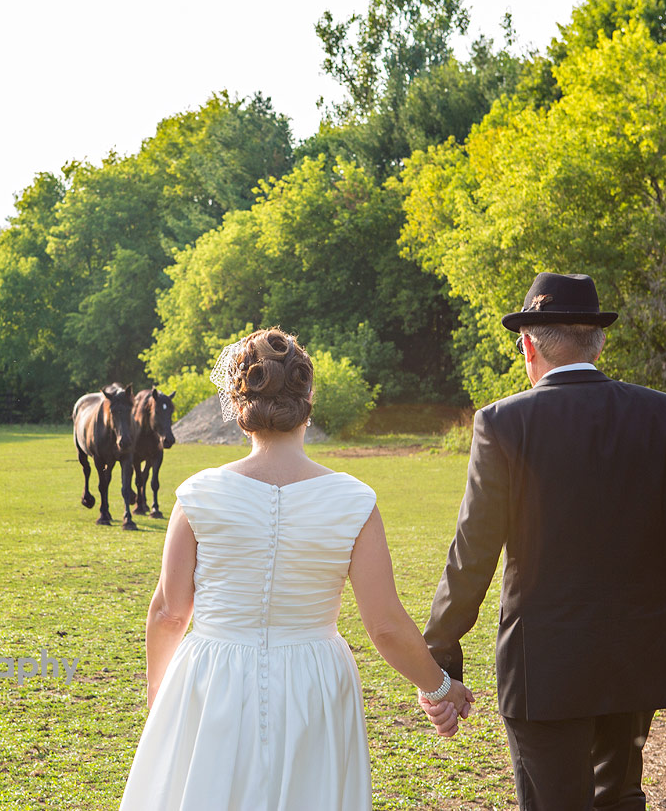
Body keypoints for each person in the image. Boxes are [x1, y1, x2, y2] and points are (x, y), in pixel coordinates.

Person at [419, 273, 666, 809]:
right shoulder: (665, 415)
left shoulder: (502, 422)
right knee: (619, 796)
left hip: (542, 669)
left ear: (528, 343)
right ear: (599, 341)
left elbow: (473, 553)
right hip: (635, 663)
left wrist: (441, 662)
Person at [120, 327, 473, 810]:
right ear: (309, 398)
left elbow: (168, 613)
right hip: (314, 680)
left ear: (239, 405)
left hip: (212, 676)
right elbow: (385, 625)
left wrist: (160, 693)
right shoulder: (353, 500)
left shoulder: (198, 495)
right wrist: (439, 688)